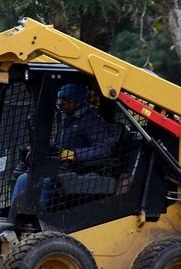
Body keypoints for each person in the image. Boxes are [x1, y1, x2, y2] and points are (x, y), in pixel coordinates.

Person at [10, 82, 118, 211]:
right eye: (60, 99)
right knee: (23, 177)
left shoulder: (91, 121)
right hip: (62, 167)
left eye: (66, 100)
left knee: (43, 182)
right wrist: (41, 148)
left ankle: (35, 215)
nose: (61, 103)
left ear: (77, 101)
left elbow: (104, 149)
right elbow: (59, 145)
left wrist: (75, 155)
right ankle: (15, 213)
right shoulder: (66, 118)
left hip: (81, 170)